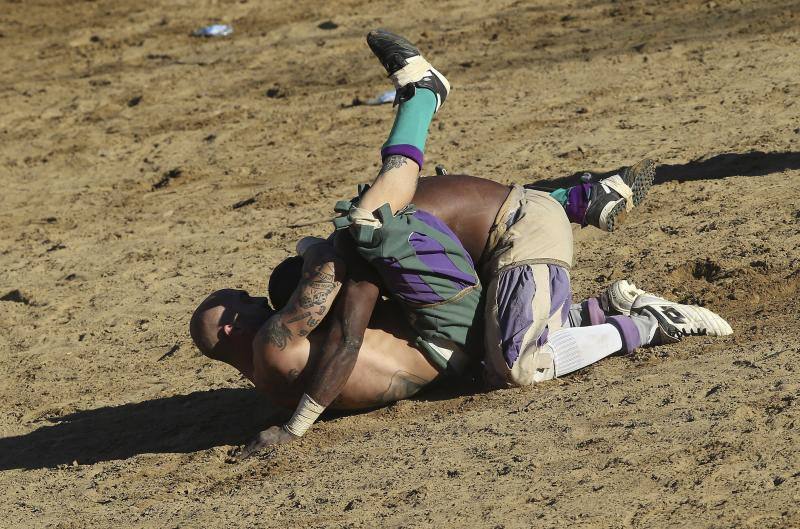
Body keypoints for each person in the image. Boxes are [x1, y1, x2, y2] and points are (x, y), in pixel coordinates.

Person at [190, 30, 732, 457]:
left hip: (518, 237)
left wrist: (297, 426)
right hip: (502, 247)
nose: (255, 304)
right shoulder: (330, 307)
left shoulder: (345, 266)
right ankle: (585, 231)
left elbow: (347, 342)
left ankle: (649, 323)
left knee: (518, 365)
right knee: (393, 234)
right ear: (230, 329)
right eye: (240, 303)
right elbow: (345, 338)